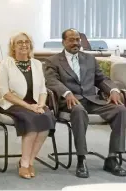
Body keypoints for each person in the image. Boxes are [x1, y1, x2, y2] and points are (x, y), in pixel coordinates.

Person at [45, 28, 126, 178]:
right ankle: (81, 159)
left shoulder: (89, 59)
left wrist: (113, 90)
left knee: (120, 110)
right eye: (71, 40)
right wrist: (67, 93)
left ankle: (112, 158)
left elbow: (101, 79)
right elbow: (51, 81)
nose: (75, 43)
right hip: (70, 102)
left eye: (77, 39)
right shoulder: (53, 60)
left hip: (92, 100)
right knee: (78, 111)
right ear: (63, 42)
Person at [0, 32, 56, 179]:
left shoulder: (36, 64)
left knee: (46, 120)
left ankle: (30, 161)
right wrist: (29, 107)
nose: (24, 44)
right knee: (32, 120)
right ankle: (24, 164)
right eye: (19, 42)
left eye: (26, 42)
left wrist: (41, 105)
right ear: (13, 47)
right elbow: (5, 92)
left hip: (35, 103)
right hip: (12, 103)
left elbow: (43, 89)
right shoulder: (6, 63)